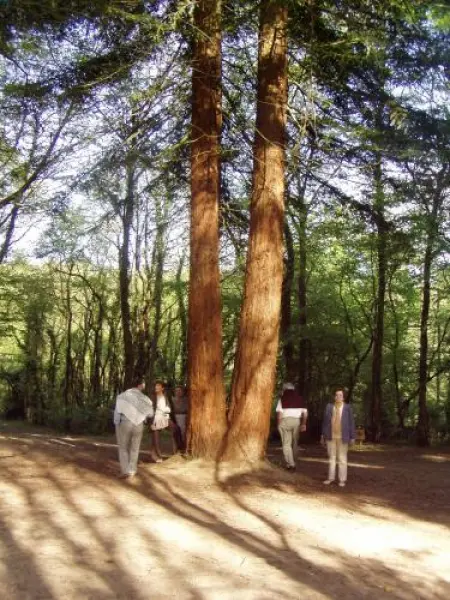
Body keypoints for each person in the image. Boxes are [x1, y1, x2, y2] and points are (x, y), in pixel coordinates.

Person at [113, 377, 154, 479]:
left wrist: (116, 423)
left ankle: (125, 470)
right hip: (139, 424)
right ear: (139, 385)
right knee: (135, 448)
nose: (144, 385)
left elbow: (117, 412)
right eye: (143, 383)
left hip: (125, 422)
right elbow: (151, 414)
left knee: (123, 447)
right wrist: (142, 414)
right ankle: (132, 470)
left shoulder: (122, 396)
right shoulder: (145, 399)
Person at [321, 389, 356, 487]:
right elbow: (325, 422)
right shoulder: (329, 407)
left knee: (342, 458)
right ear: (334, 397)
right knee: (331, 458)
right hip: (330, 436)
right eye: (336, 395)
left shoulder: (347, 408)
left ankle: (342, 480)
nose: (338, 397)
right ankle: (330, 478)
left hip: (343, 437)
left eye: (340, 395)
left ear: (343, 397)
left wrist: (352, 437)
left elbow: (351, 423)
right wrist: (322, 435)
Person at [276, 382, 308, 471]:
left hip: (285, 421)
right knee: (295, 443)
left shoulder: (282, 399)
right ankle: (294, 461)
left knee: (286, 444)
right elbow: (305, 413)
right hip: (297, 422)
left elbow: (279, 414)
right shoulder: (301, 399)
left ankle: (290, 464)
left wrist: (279, 425)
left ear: (285, 389)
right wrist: (304, 424)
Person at [150, 380, 171, 463]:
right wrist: (150, 421)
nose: (156, 387)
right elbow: (149, 409)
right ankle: (158, 455)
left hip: (164, 418)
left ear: (162, 388)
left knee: (174, 429)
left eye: (158, 386)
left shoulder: (165, 397)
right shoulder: (153, 397)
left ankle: (154, 455)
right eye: (156, 386)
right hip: (155, 418)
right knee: (155, 437)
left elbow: (168, 407)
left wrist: (166, 410)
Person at [172, 385, 188, 453]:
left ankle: (182, 448)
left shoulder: (186, 399)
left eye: (180, 391)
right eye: (177, 391)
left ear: (183, 392)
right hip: (175, 417)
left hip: (183, 416)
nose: (178, 392)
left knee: (183, 432)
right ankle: (175, 449)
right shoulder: (172, 399)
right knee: (174, 433)